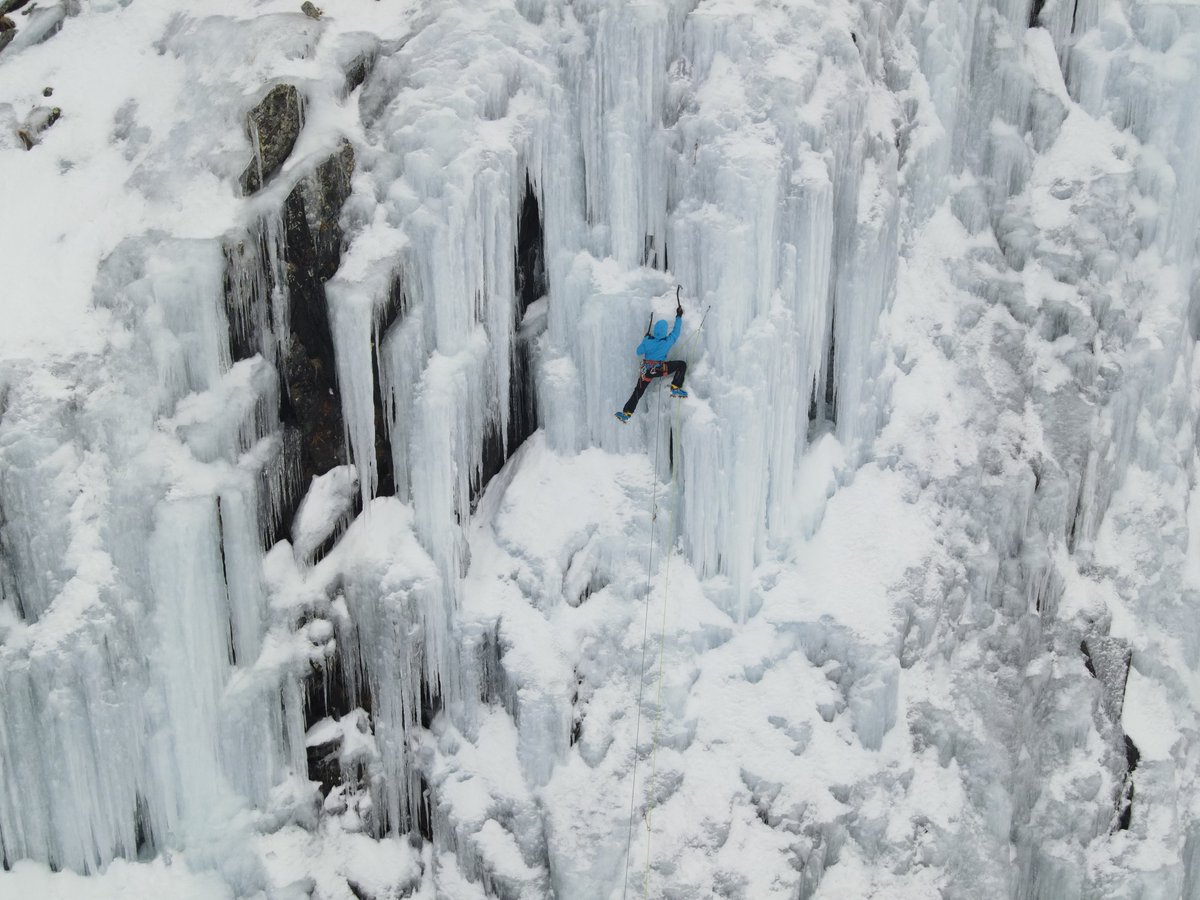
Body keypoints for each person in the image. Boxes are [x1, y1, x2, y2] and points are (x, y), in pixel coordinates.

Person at [614, 296, 687, 423]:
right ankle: (675, 387)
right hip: (660, 369)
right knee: (681, 365)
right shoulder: (667, 342)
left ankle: (627, 413)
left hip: (646, 372)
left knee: (638, 392)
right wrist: (678, 316)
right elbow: (676, 332)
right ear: (664, 332)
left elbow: (638, 351)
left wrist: (645, 339)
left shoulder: (648, 341)